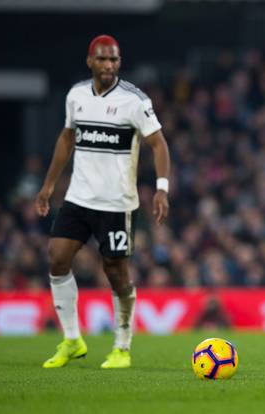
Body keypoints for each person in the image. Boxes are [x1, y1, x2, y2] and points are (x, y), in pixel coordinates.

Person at [35, 34, 171, 369]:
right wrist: (48, 185)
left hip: (117, 203)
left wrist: (161, 188)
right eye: (103, 59)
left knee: (116, 271)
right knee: (57, 257)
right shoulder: (76, 96)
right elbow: (67, 139)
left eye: (114, 60)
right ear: (90, 61)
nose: (109, 65)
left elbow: (159, 144)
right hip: (79, 197)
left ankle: (122, 347)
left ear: (119, 62)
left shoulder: (134, 101)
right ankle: (71, 339)